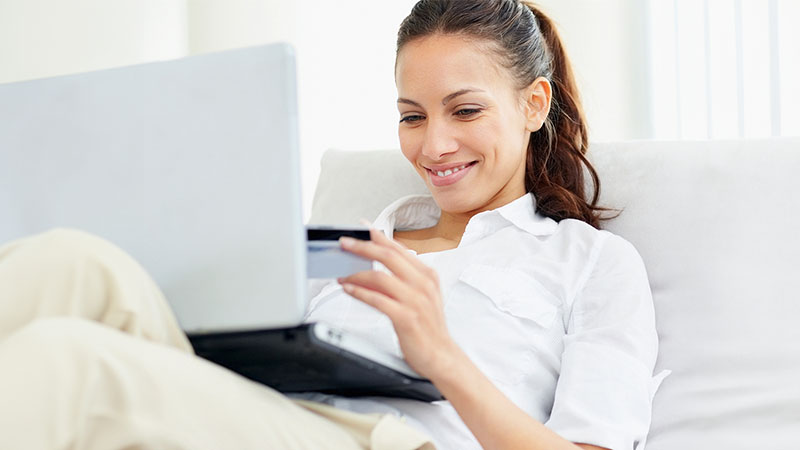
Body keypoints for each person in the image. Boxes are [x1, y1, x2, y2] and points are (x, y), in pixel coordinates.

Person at [0, 1, 660, 449]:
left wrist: (441, 358)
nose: (434, 148)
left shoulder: (590, 262)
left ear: (533, 103)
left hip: (391, 441)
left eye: (464, 111)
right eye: (412, 116)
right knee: (78, 262)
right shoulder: (354, 238)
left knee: (71, 362)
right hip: (278, 410)